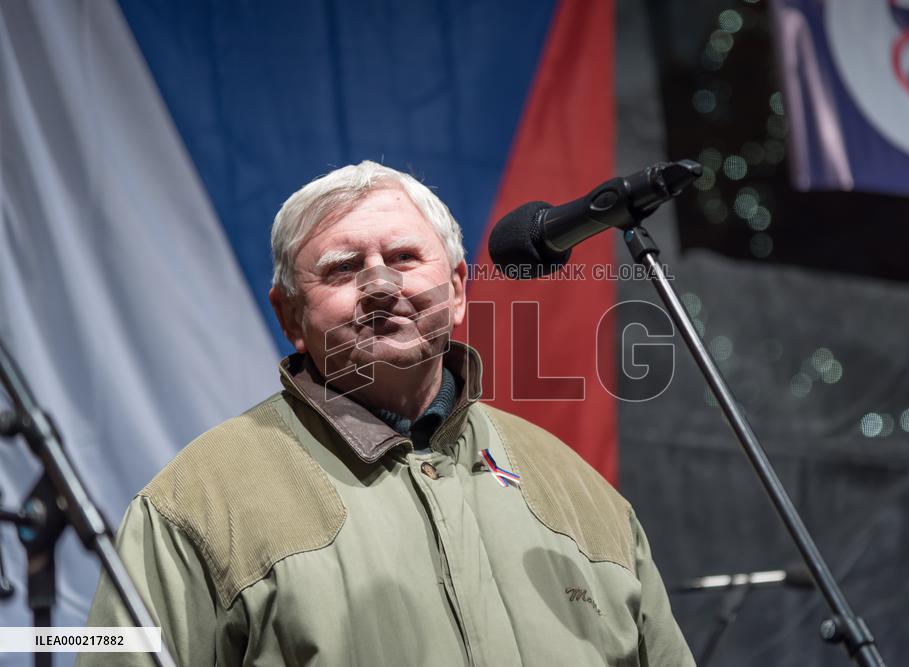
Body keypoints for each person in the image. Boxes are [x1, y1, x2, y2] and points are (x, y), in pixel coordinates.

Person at [81, 161, 695, 666]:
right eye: (343, 268)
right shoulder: (198, 502)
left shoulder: (580, 493)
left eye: (404, 257)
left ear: (456, 290)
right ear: (290, 317)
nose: (379, 284)